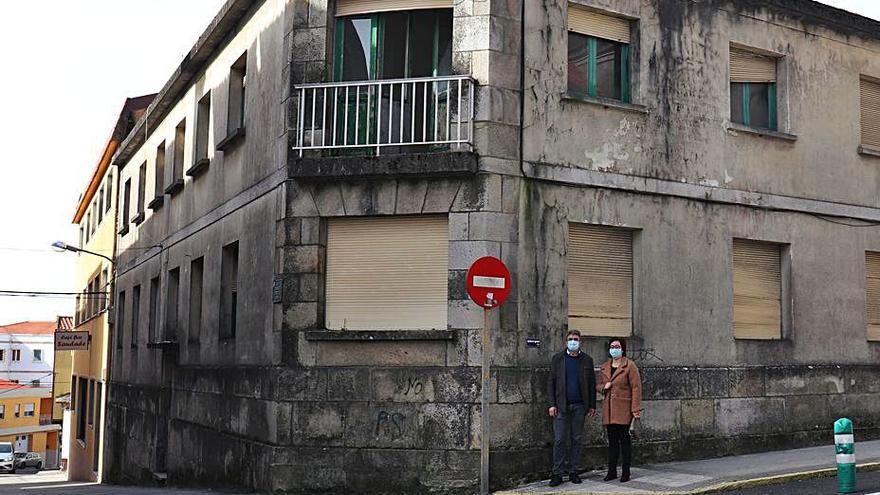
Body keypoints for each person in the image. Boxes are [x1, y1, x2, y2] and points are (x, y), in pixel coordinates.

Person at [546, 330, 596, 487]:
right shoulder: (558, 359)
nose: (573, 341)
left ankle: (574, 471)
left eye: (576, 339)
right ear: (565, 342)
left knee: (577, 439)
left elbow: (592, 384)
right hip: (561, 406)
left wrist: (592, 405)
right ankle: (557, 473)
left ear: (580, 342)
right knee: (560, 440)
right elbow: (551, 383)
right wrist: (552, 404)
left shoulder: (587, 360)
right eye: (570, 339)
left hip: (580, 406)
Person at [597, 339, 642, 482]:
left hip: (624, 410)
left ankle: (626, 472)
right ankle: (611, 471)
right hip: (609, 411)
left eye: (617, 347)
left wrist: (635, 409)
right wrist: (605, 387)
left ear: (622, 349)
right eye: (612, 347)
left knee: (625, 442)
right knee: (612, 443)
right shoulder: (605, 367)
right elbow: (598, 386)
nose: (614, 349)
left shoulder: (630, 366)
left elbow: (636, 388)